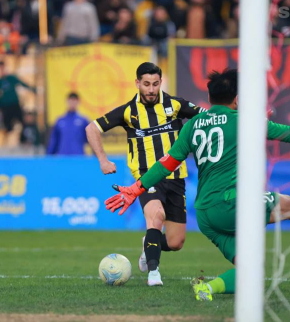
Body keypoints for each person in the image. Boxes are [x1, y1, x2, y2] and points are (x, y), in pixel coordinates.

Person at [105, 68, 290, 300]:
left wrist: (136, 188)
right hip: (233, 203)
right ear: (236, 99)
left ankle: (208, 288)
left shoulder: (193, 125)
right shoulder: (245, 121)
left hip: (206, 215)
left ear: (210, 98)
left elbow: (166, 164)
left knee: (250, 272)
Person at [86, 62, 205, 286]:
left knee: (176, 241)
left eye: (156, 84)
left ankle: (148, 244)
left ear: (161, 82)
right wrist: (103, 160)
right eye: (147, 84)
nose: (151, 90)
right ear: (137, 83)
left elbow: (207, 118)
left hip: (176, 178)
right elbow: (91, 128)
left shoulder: (176, 105)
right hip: (146, 178)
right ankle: (153, 273)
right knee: (156, 216)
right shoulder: (128, 111)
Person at [0, 60, 36, 132]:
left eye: (3, 67)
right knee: (8, 126)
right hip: (5, 107)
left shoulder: (11, 78)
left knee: (22, 122)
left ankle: (24, 138)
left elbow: (21, 83)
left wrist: (31, 89)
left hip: (15, 104)